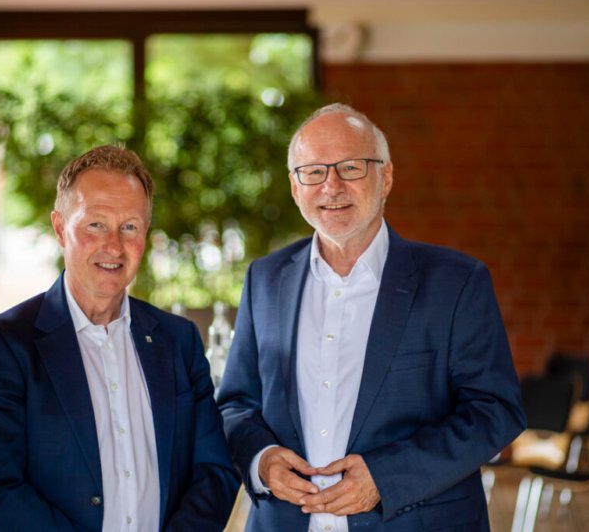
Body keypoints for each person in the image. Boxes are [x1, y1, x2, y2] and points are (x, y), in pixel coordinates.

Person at [217, 104, 525, 531]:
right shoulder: (265, 279)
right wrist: (262, 460)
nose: (332, 186)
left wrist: (386, 476)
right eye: (313, 171)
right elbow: (236, 404)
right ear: (294, 186)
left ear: (386, 178)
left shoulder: (455, 282)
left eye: (350, 167)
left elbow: (496, 410)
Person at [0, 145, 239, 531]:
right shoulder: (4, 344)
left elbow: (214, 471)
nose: (113, 245)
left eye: (129, 227)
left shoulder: (179, 341)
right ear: (60, 228)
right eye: (95, 225)